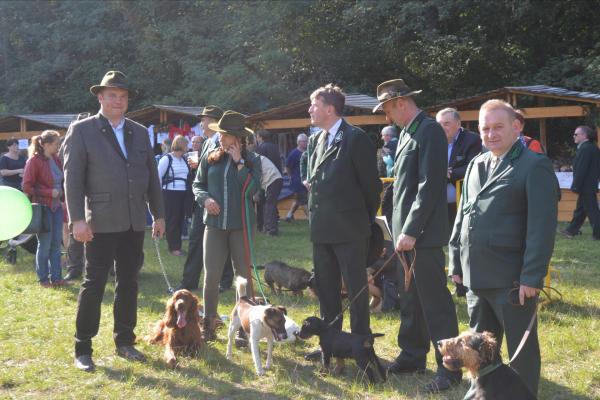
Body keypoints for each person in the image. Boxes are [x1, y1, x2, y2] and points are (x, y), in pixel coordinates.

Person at [449, 99, 559, 398]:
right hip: (476, 278)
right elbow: (463, 217)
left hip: (512, 281)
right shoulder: (476, 164)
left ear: (517, 126)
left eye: (498, 127)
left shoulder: (534, 165)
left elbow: (542, 227)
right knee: (479, 351)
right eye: (485, 128)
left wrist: (532, 276)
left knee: (521, 355)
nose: (491, 134)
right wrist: (456, 264)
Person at [63, 70, 165, 372]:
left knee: (129, 283)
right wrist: (77, 220)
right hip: (99, 223)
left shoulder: (139, 131)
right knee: (94, 284)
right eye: (112, 95)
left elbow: (152, 177)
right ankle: (83, 348)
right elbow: (73, 181)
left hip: (134, 221)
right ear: (100, 97)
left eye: (122, 96)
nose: (118, 100)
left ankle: (124, 341)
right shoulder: (82, 130)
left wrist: (158, 214)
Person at [373, 78, 461, 393]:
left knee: (435, 302)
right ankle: (412, 356)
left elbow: (429, 185)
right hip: (405, 236)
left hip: (421, 235)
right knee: (411, 298)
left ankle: (450, 368)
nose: (386, 117)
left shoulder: (429, 131)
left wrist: (411, 229)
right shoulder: (410, 132)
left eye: (386, 109)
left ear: (400, 103)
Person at [306, 84, 381, 337]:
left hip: (350, 229)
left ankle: (361, 341)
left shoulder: (355, 138)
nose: (309, 110)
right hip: (322, 229)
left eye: (314, 105)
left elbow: (371, 186)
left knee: (356, 288)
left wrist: (362, 221)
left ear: (329, 109)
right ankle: (331, 342)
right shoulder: (316, 139)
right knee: (326, 287)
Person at [193, 110, 261, 340]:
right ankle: (209, 324)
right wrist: (206, 199)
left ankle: (245, 327)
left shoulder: (252, 160)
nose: (220, 138)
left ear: (237, 137)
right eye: (220, 133)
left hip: (241, 226)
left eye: (225, 134)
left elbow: (252, 190)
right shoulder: (210, 155)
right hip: (213, 226)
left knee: (243, 277)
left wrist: (239, 163)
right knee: (211, 276)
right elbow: (197, 184)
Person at [176, 106, 234, 292]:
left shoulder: (226, 140)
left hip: (221, 203)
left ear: (216, 121)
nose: (201, 122)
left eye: (204, 119)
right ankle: (189, 282)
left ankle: (224, 282)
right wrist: (198, 164)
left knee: (222, 243)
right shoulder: (208, 142)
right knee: (195, 241)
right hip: (204, 200)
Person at [22, 130, 66, 288]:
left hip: (56, 208)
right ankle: (43, 279)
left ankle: (57, 278)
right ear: (46, 145)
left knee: (56, 244)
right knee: (45, 244)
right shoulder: (33, 161)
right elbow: (26, 187)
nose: (58, 146)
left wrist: (62, 199)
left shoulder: (55, 159)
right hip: (44, 209)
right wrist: (49, 193)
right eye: (56, 144)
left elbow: (61, 182)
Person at [435, 108, 482, 230]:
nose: (442, 127)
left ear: (458, 124)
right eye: (439, 124)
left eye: (446, 124)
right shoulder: (433, 140)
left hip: (461, 192)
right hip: (436, 192)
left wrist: (450, 174)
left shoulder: (472, 139)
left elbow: (473, 165)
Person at [559, 125, 600, 240]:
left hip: (586, 185)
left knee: (592, 211)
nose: (574, 136)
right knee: (581, 210)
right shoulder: (591, 147)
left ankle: (598, 234)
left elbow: (582, 169)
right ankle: (571, 231)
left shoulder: (586, 148)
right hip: (589, 184)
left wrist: (576, 185)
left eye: (576, 134)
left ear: (584, 135)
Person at [158, 134, 191, 256]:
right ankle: (174, 248)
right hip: (170, 194)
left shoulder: (184, 159)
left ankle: (177, 246)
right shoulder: (166, 159)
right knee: (172, 220)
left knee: (180, 220)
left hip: (183, 193)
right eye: (186, 145)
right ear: (181, 145)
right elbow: (158, 178)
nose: (188, 147)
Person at [248, 136, 283, 236]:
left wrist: (255, 192)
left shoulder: (253, 159)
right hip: (274, 180)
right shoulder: (255, 157)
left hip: (273, 180)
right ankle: (267, 228)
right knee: (268, 205)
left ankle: (271, 230)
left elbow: (256, 176)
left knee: (269, 205)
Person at [285, 133, 309, 221]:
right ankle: (310, 219)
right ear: (299, 142)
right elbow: (287, 167)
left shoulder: (308, 152)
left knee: (298, 199)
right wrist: (291, 176)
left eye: (307, 141)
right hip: (298, 181)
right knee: (303, 200)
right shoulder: (293, 154)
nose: (307, 143)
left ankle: (288, 215)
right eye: (305, 141)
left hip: (307, 179)